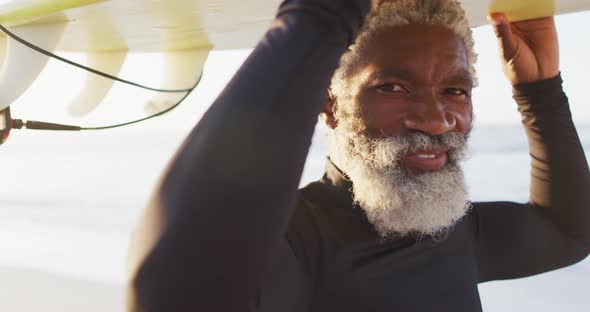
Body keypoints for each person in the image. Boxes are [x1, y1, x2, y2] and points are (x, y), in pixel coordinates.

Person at [126, 0, 590, 311]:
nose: (436, 119)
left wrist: (541, 92)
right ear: (329, 103)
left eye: (455, 90)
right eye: (392, 86)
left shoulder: (454, 230)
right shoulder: (299, 242)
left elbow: (568, 232)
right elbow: (172, 294)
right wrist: (321, 16)